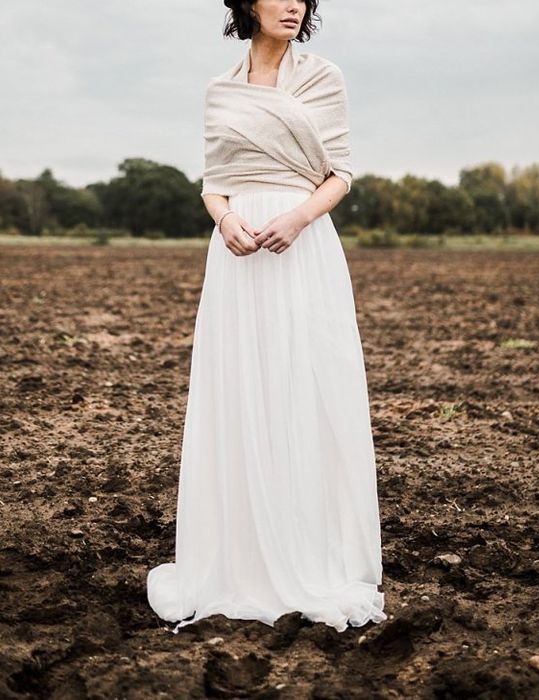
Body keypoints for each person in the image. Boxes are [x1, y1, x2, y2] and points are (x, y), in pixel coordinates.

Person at [146, 0, 387, 634]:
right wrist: (225, 220)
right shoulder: (219, 90)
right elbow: (213, 180)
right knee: (239, 389)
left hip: (301, 243)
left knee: (303, 386)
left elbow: (341, 174)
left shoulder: (322, 77)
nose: (293, 4)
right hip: (236, 253)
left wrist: (299, 218)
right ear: (246, 3)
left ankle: (312, 552)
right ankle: (238, 559)